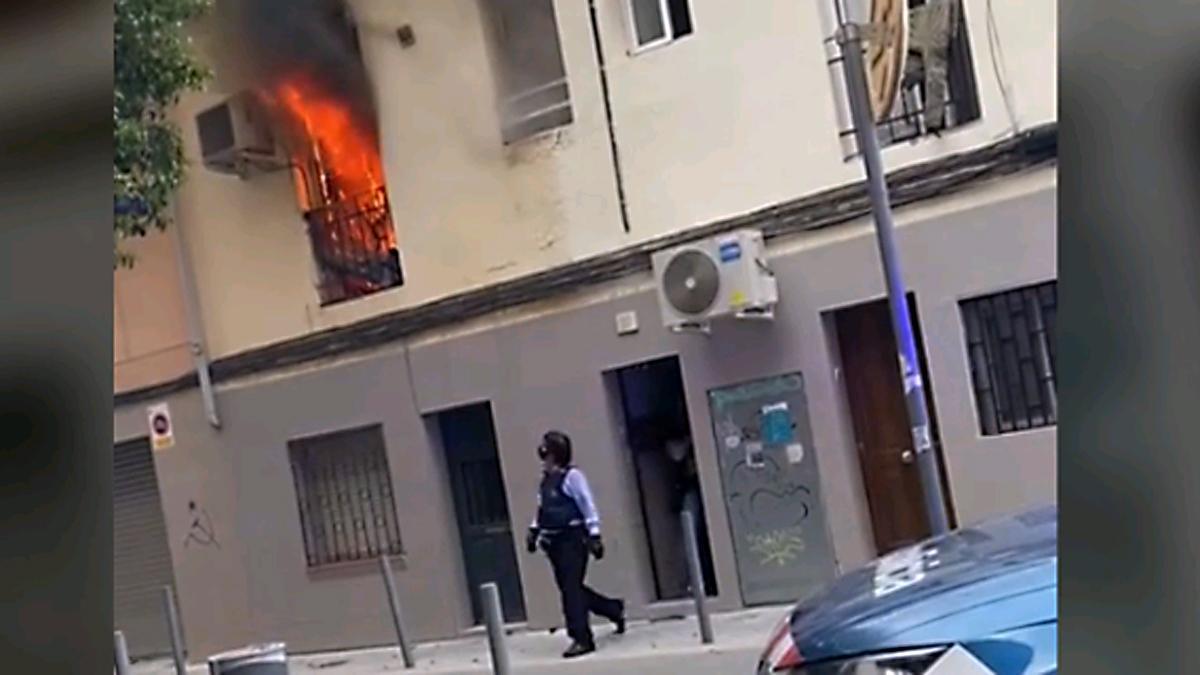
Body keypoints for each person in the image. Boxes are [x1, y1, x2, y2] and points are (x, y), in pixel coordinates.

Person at [526, 430, 626, 658]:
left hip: (573, 538)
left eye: (546, 449)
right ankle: (613, 609)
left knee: (571, 590)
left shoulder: (572, 477)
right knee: (571, 588)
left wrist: (595, 534)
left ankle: (582, 638)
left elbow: (587, 504)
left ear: (555, 452)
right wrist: (533, 531)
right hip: (552, 541)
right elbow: (542, 510)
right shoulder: (546, 480)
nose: (542, 453)